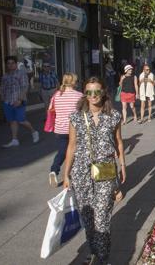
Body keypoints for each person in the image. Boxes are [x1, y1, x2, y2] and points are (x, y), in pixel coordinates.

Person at [62, 77, 125, 264]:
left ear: (103, 92)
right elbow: (71, 146)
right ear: (84, 94)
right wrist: (66, 174)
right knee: (88, 219)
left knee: (102, 217)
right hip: (81, 172)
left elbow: (119, 143)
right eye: (88, 92)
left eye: (96, 91)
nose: (93, 96)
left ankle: (103, 258)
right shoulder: (76, 117)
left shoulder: (114, 116)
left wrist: (123, 166)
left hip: (105, 170)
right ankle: (94, 252)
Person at [48, 73, 83, 187]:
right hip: (75, 128)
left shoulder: (56, 95)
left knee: (62, 151)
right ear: (74, 82)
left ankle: (54, 170)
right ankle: (73, 172)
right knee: (76, 151)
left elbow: (50, 110)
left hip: (60, 129)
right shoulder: (79, 96)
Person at [0, 56, 39, 148]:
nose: (10, 65)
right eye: (8, 63)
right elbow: (2, 88)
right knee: (12, 121)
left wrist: (20, 100)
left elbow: (25, 87)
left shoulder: (21, 74)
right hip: (7, 101)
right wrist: (2, 98)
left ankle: (34, 132)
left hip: (18, 101)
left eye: (12, 63)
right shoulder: (5, 76)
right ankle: (14, 140)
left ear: (16, 64)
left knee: (21, 120)